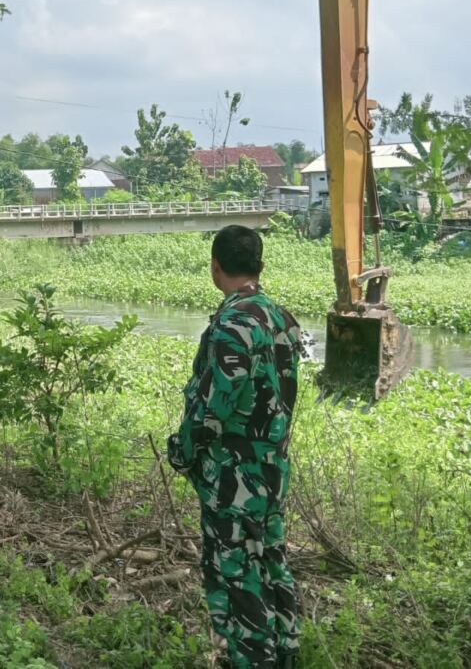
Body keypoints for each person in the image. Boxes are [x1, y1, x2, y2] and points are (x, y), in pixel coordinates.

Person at [167, 225, 303, 669]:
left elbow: (213, 408)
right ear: (260, 267)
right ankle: (285, 655)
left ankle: (252, 660)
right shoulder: (281, 319)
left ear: (215, 267)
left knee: (236, 576)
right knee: (272, 565)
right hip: (271, 472)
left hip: (233, 481)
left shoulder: (233, 323)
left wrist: (183, 450)